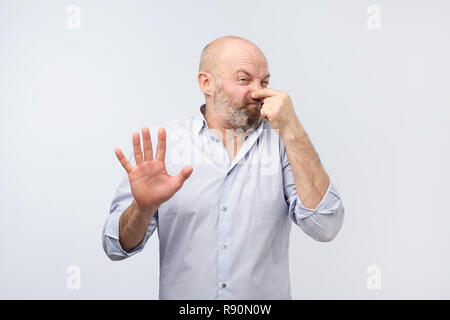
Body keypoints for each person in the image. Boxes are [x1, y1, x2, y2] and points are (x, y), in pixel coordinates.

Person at [102, 35, 345, 299]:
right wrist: (143, 208)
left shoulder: (284, 144)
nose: (258, 92)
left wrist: (293, 130)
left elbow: (325, 226)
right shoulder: (165, 146)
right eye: (244, 79)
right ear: (206, 83)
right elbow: (115, 246)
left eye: (264, 82)